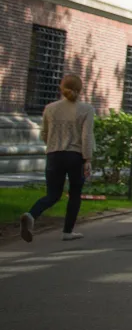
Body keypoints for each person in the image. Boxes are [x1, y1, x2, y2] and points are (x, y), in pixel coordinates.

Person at [20, 74, 95, 243]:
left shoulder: (50, 108)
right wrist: (87, 159)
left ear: (61, 88)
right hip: (75, 156)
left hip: (54, 155)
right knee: (75, 194)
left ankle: (31, 215)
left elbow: (43, 134)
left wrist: (54, 144)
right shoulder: (86, 109)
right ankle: (67, 232)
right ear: (80, 89)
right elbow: (86, 136)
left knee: (53, 194)